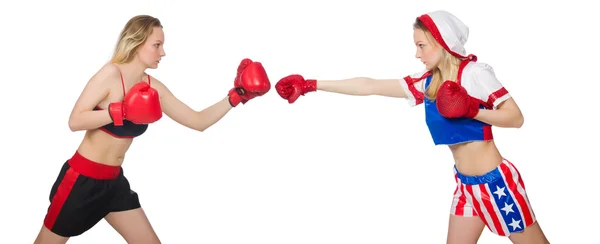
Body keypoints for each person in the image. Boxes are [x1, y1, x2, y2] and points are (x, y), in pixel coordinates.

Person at [274, 10, 549, 244]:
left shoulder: (476, 74)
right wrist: (313, 85)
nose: (416, 54)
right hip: (465, 186)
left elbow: (515, 118)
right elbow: (370, 85)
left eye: (421, 46)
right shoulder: (427, 82)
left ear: (441, 43)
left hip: (496, 183)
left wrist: (471, 109)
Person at [34, 15, 271, 244]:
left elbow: (197, 121)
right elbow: (75, 121)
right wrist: (120, 111)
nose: (163, 52)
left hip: (114, 183)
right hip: (81, 181)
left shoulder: (151, 86)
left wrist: (236, 96)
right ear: (137, 43)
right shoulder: (110, 75)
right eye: (157, 45)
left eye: (162, 45)